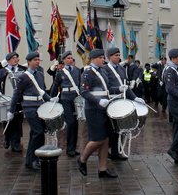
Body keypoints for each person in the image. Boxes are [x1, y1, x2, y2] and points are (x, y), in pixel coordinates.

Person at [7, 51, 56, 171]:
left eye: (38, 60)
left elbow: (42, 91)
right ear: (29, 62)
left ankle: (32, 160)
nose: (37, 62)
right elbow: (16, 94)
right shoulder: (23, 76)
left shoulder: (39, 74)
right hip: (29, 107)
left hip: (40, 106)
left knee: (37, 133)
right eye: (35, 60)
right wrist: (11, 110)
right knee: (38, 132)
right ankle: (33, 160)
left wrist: (51, 100)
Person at [77, 49, 122, 178]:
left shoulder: (103, 71)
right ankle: (82, 159)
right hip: (93, 109)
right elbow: (84, 92)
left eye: (104, 57)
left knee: (106, 139)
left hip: (105, 108)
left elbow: (107, 90)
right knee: (98, 139)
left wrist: (118, 88)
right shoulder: (88, 73)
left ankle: (103, 169)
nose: (104, 60)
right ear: (93, 59)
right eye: (101, 58)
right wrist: (98, 101)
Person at [104, 47, 144, 160]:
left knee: (120, 128)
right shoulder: (105, 69)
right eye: (115, 55)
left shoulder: (122, 69)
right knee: (110, 129)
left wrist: (135, 98)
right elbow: (106, 87)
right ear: (109, 57)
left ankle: (116, 152)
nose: (118, 57)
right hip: (110, 101)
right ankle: (106, 150)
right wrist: (118, 89)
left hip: (122, 100)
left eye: (118, 55)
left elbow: (126, 87)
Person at [50, 50, 82, 156]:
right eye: (68, 58)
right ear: (63, 60)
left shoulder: (77, 70)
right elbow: (55, 85)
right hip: (65, 98)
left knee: (76, 123)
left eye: (71, 58)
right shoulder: (60, 73)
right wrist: (52, 98)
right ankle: (69, 149)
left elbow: (81, 85)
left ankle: (73, 147)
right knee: (71, 122)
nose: (70, 60)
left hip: (76, 98)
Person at [0, 52, 24, 152]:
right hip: (6, 100)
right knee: (8, 121)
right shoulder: (2, 71)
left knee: (18, 121)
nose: (15, 59)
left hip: (19, 100)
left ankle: (16, 143)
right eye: (13, 58)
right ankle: (7, 138)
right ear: (8, 60)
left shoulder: (22, 70)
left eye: (17, 57)